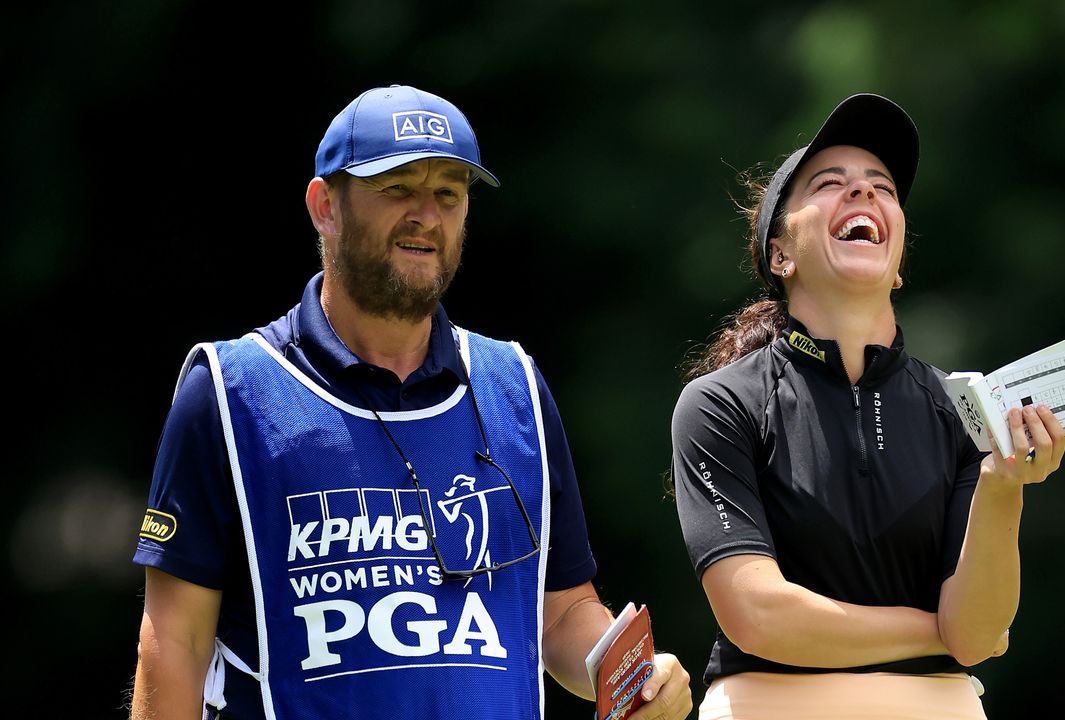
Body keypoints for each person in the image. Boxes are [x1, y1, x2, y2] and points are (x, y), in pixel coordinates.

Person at [130, 84, 691, 720]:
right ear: (325, 207)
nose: (426, 214)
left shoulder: (515, 384)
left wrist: (636, 675)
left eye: (449, 195)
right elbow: (174, 644)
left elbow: (560, 611)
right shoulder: (231, 391)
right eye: (397, 188)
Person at [670, 94, 1065, 719]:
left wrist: (1002, 485)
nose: (863, 195)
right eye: (831, 184)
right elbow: (756, 613)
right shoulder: (722, 403)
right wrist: (936, 631)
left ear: (898, 264)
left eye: (881, 187)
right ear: (781, 255)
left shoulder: (960, 408)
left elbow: (983, 624)